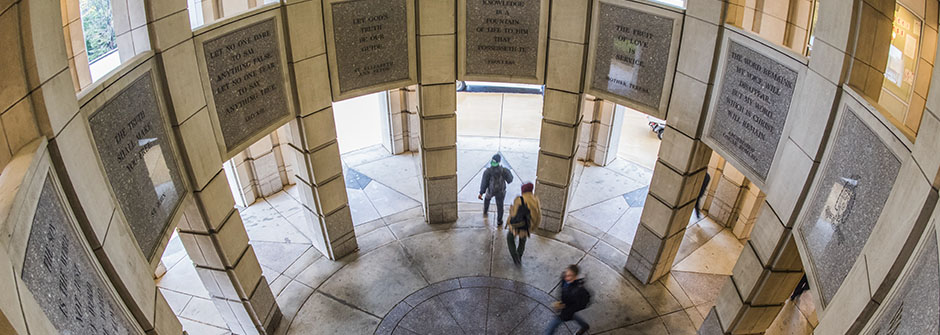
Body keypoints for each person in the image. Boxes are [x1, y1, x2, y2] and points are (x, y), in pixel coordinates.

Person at [546, 264, 591, 335]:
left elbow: (579, 304)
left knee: (550, 329)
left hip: (566, 311)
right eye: (566, 273)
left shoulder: (577, 291)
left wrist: (564, 307)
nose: (566, 277)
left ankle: (584, 326)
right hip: (565, 307)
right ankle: (585, 326)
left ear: (575, 277)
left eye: (569, 275)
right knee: (573, 316)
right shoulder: (564, 278)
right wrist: (561, 302)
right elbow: (562, 289)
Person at [506, 182, 540, 265]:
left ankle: (515, 256)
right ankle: (519, 256)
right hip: (527, 226)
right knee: (522, 240)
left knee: (510, 238)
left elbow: (513, 215)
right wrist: (532, 227)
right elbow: (538, 216)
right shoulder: (535, 200)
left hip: (516, 226)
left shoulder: (519, 199)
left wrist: (508, 221)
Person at [479, 154, 513, 223]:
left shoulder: (488, 171)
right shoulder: (503, 170)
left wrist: (481, 193)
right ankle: (499, 220)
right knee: (500, 206)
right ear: (499, 162)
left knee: (487, 199)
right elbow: (510, 180)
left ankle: (485, 211)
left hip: (490, 190)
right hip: (500, 191)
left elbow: (484, 183)